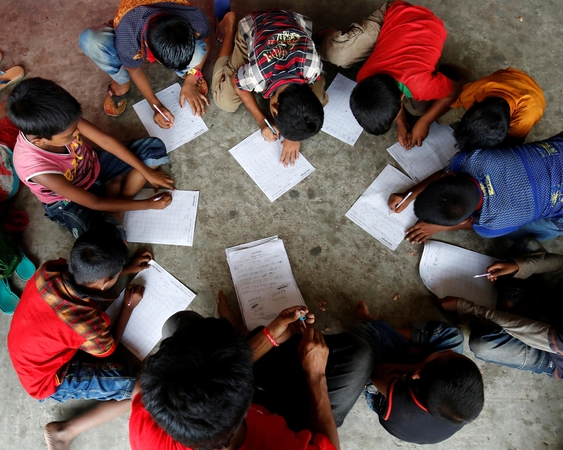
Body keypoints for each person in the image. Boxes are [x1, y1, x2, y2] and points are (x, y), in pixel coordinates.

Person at [128, 292, 374, 449]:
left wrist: (270, 335)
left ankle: (244, 334)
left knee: (180, 324)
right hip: (293, 422)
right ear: (248, 399)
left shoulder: (150, 422)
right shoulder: (278, 445)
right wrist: (316, 376)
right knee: (359, 354)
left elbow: (143, 387)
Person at [7, 227, 153, 450]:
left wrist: (124, 270)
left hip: (27, 350)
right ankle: (63, 431)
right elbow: (109, 347)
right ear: (105, 282)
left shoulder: (49, 271)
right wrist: (128, 306)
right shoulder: (85, 324)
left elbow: (89, 281)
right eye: (115, 274)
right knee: (143, 386)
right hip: (47, 380)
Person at [7, 78, 174, 239]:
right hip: (68, 201)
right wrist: (147, 204)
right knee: (101, 244)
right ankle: (118, 202)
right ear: (40, 141)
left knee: (153, 148)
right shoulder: (36, 168)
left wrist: (146, 171)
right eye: (69, 135)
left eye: (75, 126)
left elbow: (105, 141)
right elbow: (95, 202)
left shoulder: (61, 119)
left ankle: (121, 200)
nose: (78, 132)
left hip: (91, 165)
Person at [319, 0, 460, 150]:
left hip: (403, 15)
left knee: (420, 110)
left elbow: (455, 90)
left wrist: (424, 122)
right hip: (396, 27)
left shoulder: (420, 86)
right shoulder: (364, 76)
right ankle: (329, 36)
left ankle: (439, 74)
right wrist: (401, 122)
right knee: (416, 108)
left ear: (401, 97)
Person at [388, 132, 563, 243]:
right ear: (450, 176)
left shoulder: (495, 224)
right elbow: (444, 173)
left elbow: (475, 225)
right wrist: (408, 194)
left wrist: (441, 227)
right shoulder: (473, 160)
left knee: (529, 232)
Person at [352, 301, 484, 444]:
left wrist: (411, 366)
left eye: (442, 353)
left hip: (385, 393)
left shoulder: (401, 401)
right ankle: (400, 341)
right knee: (454, 336)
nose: (451, 350)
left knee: (363, 331)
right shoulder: (464, 411)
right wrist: (425, 363)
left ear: (417, 374)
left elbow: (377, 372)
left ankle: (387, 334)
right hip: (426, 384)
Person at [212, 10, 327, 167]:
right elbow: (236, 81)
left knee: (320, 94)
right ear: (273, 106)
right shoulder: (258, 77)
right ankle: (229, 29)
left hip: (293, 20)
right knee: (224, 100)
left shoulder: (313, 67)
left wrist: (293, 135)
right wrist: (261, 120)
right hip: (252, 26)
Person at [437, 237, 562, 379]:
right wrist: (518, 266)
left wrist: (465, 307)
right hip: (548, 303)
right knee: (527, 246)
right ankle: (507, 311)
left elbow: (528, 329)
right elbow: (560, 264)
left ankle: (505, 312)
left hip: (549, 351)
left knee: (482, 345)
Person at [79, 0, 211, 122]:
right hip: (132, 17)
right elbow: (134, 70)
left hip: (156, 14)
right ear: (147, 46)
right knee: (91, 41)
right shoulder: (127, 39)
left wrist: (192, 77)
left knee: (199, 50)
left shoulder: (194, 19)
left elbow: (207, 38)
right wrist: (155, 106)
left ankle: (187, 73)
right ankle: (122, 82)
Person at [440, 68, 545, 151]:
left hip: (532, 95)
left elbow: (513, 143)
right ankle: (463, 79)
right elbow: (456, 102)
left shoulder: (524, 119)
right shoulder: (479, 89)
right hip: (510, 79)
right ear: (472, 105)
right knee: (441, 120)